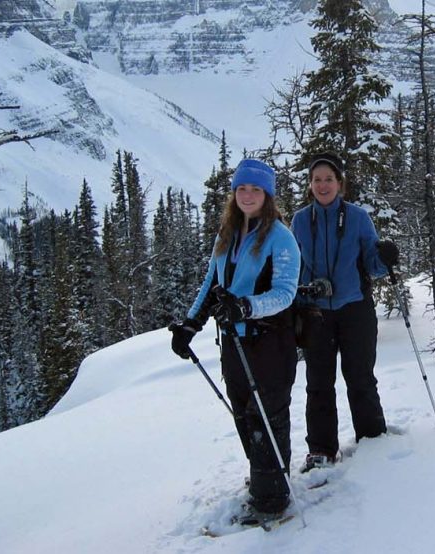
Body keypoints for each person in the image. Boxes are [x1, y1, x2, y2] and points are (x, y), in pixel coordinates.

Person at [169, 158, 300, 523]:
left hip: (270, 343)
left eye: (255, 189)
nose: (247, 194)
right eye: (242, 188)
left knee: (266, 418)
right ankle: (265, 481)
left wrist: (246, 307)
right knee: (244, 415)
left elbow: (285, 293)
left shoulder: (280, 237)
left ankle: (272, 500)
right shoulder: (227, 234)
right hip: (233, 343)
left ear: (267, 194)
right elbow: (212, 284)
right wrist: (190, 325)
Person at [291, 152, 400, 473]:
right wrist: (295, 303)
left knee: (360, 376)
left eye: (328, 179)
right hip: (316, 313)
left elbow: (373, 264)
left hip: (355, 309)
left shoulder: (357, 217)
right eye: (316, 180)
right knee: (318, 382)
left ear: (340, 183)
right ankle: (321, 450)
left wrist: (386, 257)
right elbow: (294, 267)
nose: (322, 185)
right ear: (310, 185)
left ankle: (371, 438)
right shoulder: (299, 221)